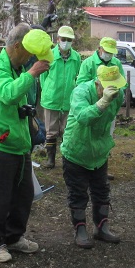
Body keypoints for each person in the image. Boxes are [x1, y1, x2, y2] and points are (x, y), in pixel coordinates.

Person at [0, 25, 53, 264]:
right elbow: (7, 94)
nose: (31, 58)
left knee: (24, 193)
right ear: (17, 46)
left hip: (18, 141)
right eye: (28, 52)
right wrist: (32, 73)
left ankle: (13, 236)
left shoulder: (18, 65)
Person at [60, 64, 127, 248]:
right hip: (76, 151)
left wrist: (108, 100)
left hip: (99, 152)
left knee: (101, 190)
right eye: (109, 86)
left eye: (116, 86)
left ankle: (102, 227)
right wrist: (102, 103)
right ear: (98, 83)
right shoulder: (80, 92)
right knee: (78, 193)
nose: (113, 90)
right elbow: (83, 117)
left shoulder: (117, 95)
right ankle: (80, 230)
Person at [39, 25, 82, 169]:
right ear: (57, 39)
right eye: (63, 39)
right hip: (51, 99)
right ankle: (50, 159)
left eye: (69, 40)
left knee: (67, 130)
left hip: (69, 99)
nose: (66, 42)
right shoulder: (49, 55)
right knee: (51, 130)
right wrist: (47, 90)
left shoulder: (76, 57)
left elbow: (78, 76)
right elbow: (43, 77)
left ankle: (67, 158)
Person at [75, 36, 126, 105]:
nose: (109, 54)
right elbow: (81, 84)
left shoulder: (116, 63)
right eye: (106, 51)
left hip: (111, 103)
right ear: (99, 49)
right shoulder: (88, 63)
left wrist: (117, 93)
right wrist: (97, 87)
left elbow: (123, 83)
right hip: (93, 103)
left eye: (111, 52)